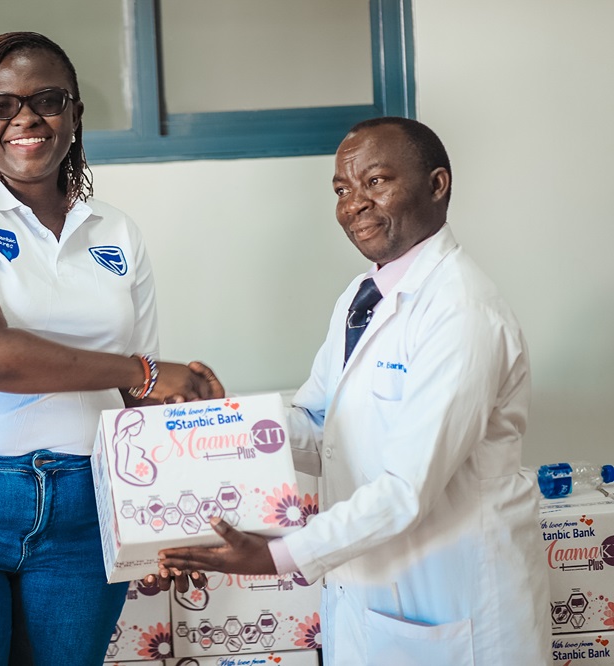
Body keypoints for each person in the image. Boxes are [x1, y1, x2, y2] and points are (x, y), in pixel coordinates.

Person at [0, 31, 223, 666]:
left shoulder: (115, 230)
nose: (25, 118)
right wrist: (141, 371)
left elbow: (137, 406)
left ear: (75, 115)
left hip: (84, 509)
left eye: (47, 100)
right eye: (1, 105)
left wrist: (168, 518)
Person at [156, 117, 549, 665]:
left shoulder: (461, 312)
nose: (354, 204)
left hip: (457, 601)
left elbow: (406, 489)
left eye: (376, 181)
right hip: (372, 594)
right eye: (342, 189)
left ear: (437, 185)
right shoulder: (362, 297)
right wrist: (226, 421)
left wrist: (279, 556)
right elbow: (323, 427)